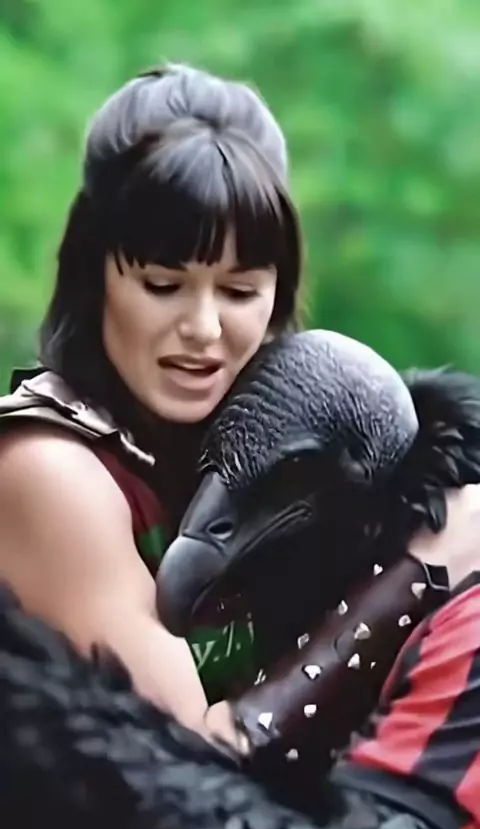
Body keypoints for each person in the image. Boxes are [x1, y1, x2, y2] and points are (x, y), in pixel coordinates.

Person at [0, 60, 479, 771]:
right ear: (92, 277)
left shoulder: (278, 454)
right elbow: (190, 770)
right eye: (163, 284)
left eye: (239, 291)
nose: (204, 329)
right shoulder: (49, 472)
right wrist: (417, 575)